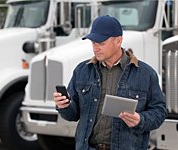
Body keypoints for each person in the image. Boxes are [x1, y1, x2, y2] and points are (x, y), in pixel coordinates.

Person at [53, 15, 167, 150]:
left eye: (101, 43)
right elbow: (73, 115)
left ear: (118, 41)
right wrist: (64, 106)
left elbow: (159, 112)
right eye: (93, 43)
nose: (96, 48)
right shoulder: (82, 70)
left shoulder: (146, 74)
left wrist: (140, 120)